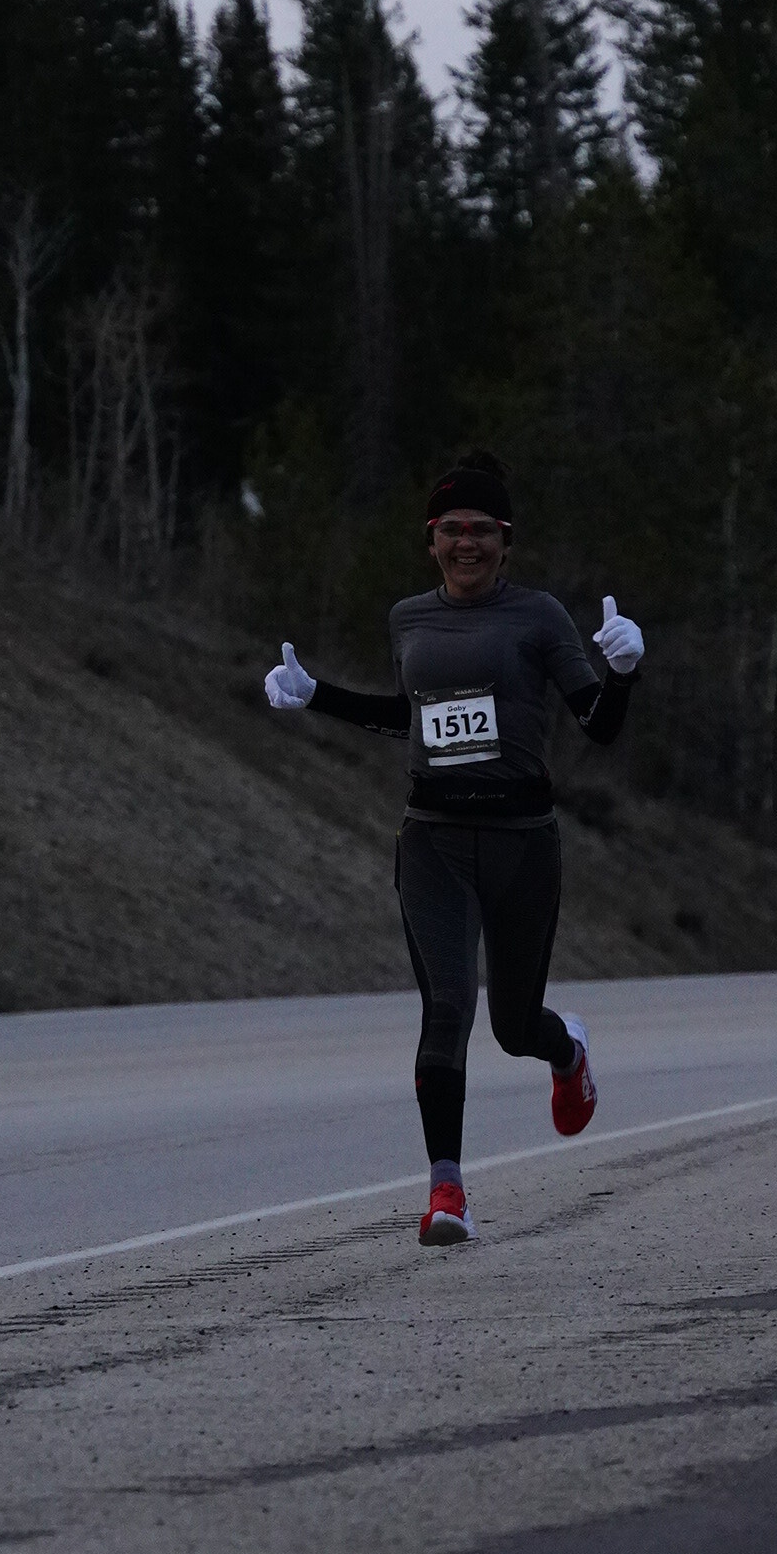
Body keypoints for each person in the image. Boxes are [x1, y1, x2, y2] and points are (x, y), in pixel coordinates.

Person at [264, 449, 644, 1247]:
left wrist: (622, 672)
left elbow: (598, 725)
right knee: (446, 1009)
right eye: (451, 529)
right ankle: (447, 1191)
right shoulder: (408, 618)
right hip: (432, 841)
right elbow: (415, 718)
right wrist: (317, 696)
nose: (466, 543)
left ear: (506, 541)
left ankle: (566, 1050)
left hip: (521, 846)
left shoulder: (538, 616)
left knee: (512, 1026)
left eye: (481, 530)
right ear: (430, 539)